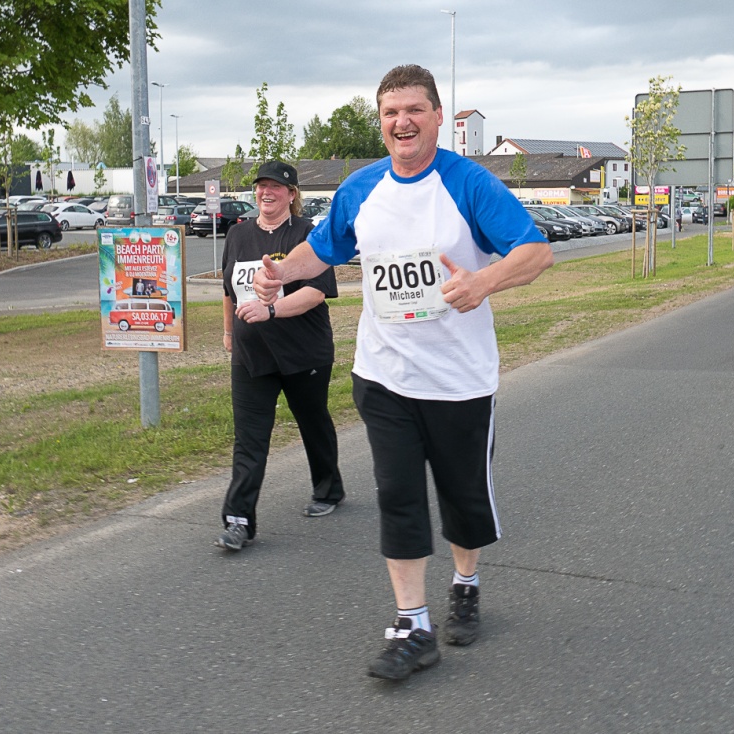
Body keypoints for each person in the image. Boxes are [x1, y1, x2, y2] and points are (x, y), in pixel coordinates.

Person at [252, 64, 553, 681]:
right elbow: (327, 248)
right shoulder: (362, 188)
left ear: (438, 117)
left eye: (414, 109)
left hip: (459, 379)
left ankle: (465, 583)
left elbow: (535, 249)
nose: (402, 122)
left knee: (462, 500)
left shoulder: (469, 184)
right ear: (381, 123)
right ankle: (412, 624)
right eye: (391, 113)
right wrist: (282, 270)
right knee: (399, 496)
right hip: (384, 373)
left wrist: (483, 281)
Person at [216, 160, 345, 552]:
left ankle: (328, 488)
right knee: (249, 439)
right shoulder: (239, 236)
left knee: (313, 422)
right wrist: (228, 332)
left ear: (292, 195)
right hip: (252, 355)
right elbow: (228, 289)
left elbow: (315, 293)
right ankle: (238, 520)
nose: (266, 193)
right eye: (261, 186)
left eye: (276, 187)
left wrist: (270, 310)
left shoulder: (308, 234)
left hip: (303, 352)